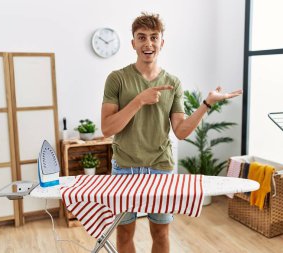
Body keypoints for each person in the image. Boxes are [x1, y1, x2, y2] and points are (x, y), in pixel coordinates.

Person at [101, 12, 242, 253]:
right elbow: (106, 129)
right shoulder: (117, 79)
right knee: (124, 234)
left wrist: (207, 104)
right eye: (141, 37)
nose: (148, 43)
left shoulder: (173, 83)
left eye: (154, 37)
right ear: (133, 43)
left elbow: (181, 131)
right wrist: (139, 101)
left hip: (160, 167)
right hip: (124, 166)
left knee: (162, 232)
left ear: (162, 43)